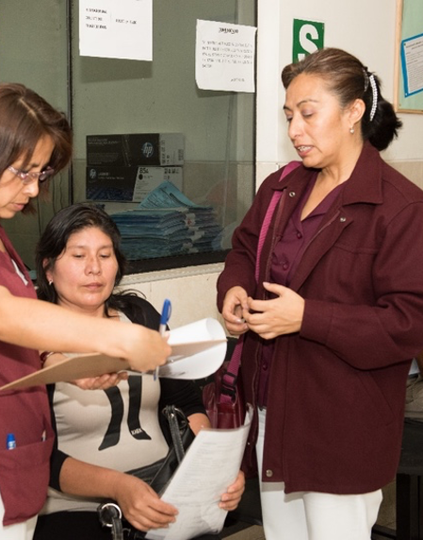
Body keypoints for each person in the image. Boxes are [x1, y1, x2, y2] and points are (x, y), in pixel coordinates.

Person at [216, 47, 423, 540]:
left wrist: (308, 317)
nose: (295, 131)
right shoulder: (281, 186)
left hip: (341, 428)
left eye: (308, 114)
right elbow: (244, 248)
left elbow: (407, 323)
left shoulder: (400, 207)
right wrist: (234, 290)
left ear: (354, 113)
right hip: (272, 413)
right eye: (289, 116)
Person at [0, 83, 171, 540]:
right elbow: (9, 315)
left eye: (41, 173)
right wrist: (114, 338)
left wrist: (62, 368)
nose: (33, 188)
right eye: (23, 171)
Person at [32, 203, 245, 540]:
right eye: (78, 256)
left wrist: (213, 471)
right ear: (48, 270)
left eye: (105, 255)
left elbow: (187, 404)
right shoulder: (32, 340)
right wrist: (120, 487)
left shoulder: (140, 316)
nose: (94, 269)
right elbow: (37, 454)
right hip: (80, 510)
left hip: (167, 489)